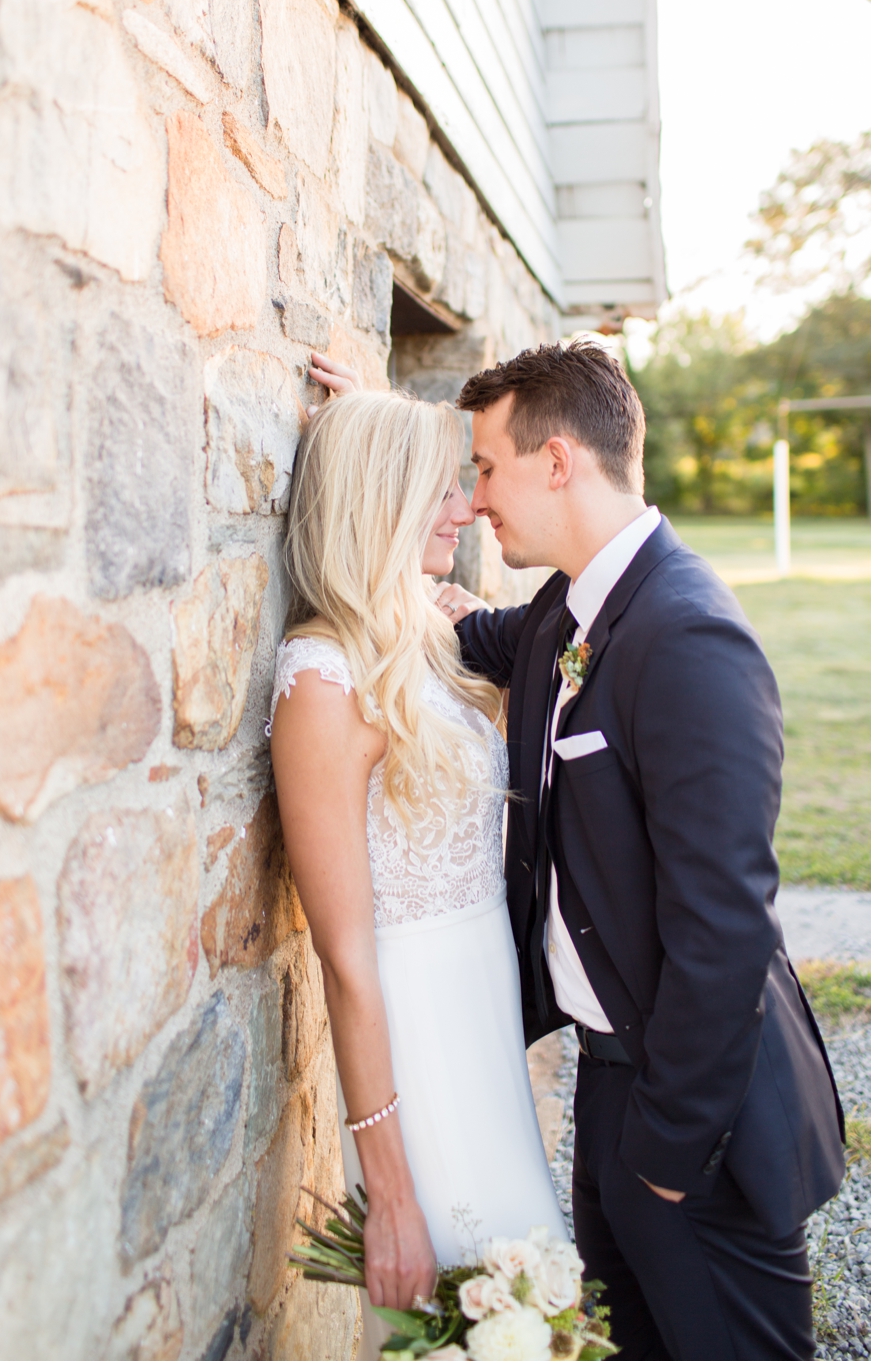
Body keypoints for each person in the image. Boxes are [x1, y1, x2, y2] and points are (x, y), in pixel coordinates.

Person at [427, 339, 845, 1360]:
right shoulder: (564, 610)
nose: (476, 499)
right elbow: (467, 635)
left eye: (485, 468)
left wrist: (661, 1151)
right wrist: (378, 474)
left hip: (694, 1114)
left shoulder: (687, 632)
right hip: (606, 1081)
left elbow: (723, 931)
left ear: (556, 460)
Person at [271, 388, 567, 1321]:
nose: (467, 506)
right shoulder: (322, 680)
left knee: (535, 1296)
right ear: (380, 502)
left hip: (486, 1022)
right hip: (419, 1048)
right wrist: (389, 1189)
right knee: (470, 1311)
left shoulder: (431, 639)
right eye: (439, 487)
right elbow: (348, 963)